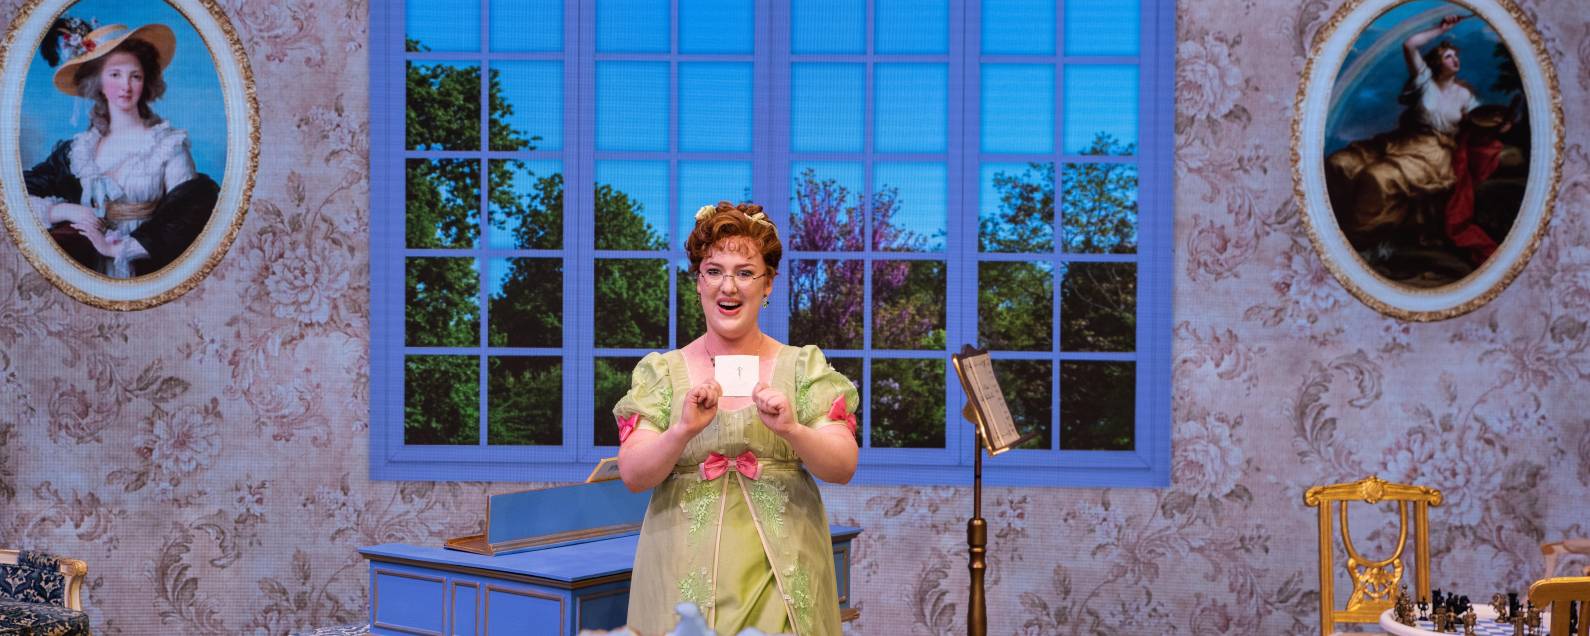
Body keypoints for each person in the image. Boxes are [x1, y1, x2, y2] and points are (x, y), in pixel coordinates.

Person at [613, 201, 859, 636]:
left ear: (768, 284)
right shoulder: (662, 372)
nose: (729, 286)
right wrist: (683, 429)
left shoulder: (802, 367)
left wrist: (792, 430)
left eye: (745, 272)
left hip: (783, 571)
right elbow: (633, 474)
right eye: (714, 271)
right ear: (698, 281)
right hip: (679, 571)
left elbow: (842, 466)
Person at [23, 22, 218, 278]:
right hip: (86, 267)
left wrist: (118, 249)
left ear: (145, 80)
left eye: (134, 76)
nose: (126, 85)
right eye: (115, 74)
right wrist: (65, 210)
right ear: (99, 82)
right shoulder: (79, 150)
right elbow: (18, 193)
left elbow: (186, 218)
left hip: (147, 266)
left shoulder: (167, 145)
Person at [1325, 15, 1508, 267]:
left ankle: (1360, 242)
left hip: (1433, 154)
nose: (1455, 60)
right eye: (1448, 56)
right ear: (1436, 62)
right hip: (1401, 143)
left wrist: (1500, 125)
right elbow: (1410, 44)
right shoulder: (1424, 82)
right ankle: (1331, 234)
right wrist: (1441, 29)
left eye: (1456, 57)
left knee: (1378, 177)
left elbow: (1483, 123)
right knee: (1340, 162)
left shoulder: (1465, 95)